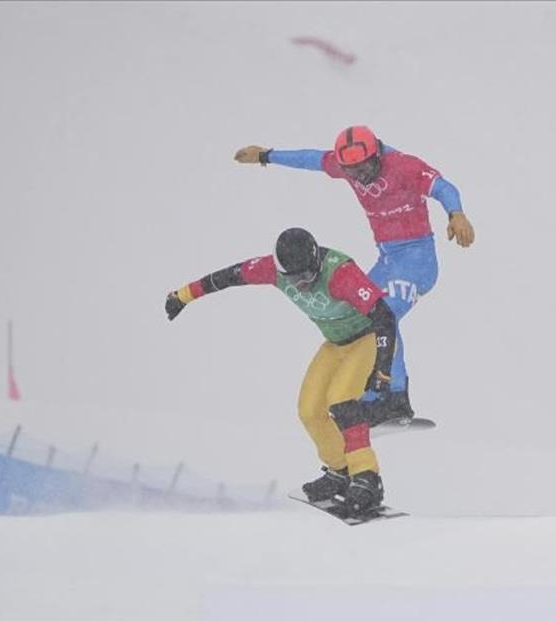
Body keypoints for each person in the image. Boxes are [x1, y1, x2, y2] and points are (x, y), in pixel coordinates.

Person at [233, 126, 475, 425]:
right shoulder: (348, 168)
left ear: (378, 155)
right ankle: (372, 394)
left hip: (417, 261)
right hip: (388, 259)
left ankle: (393, 398)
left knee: (382, 316)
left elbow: (444, 188)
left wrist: (456, 213)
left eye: (366, 167)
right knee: (357, 315)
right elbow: (311, 159)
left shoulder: (403, 165)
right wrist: (266, 156)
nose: (361, 176)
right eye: (352, 171)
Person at [164, 227, 397, 516]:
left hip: (366, 339)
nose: (301, 284)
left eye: (308, 276)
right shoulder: (271, 271)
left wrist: (383, 370)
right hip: (336, 344)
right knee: (309, 410)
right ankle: (341, 470)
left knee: (341, 400)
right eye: (294, 278)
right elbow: (228, 277)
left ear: (317, 264)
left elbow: (384, 317)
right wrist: (183, 295)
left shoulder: (340, 273)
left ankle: (367, 477)